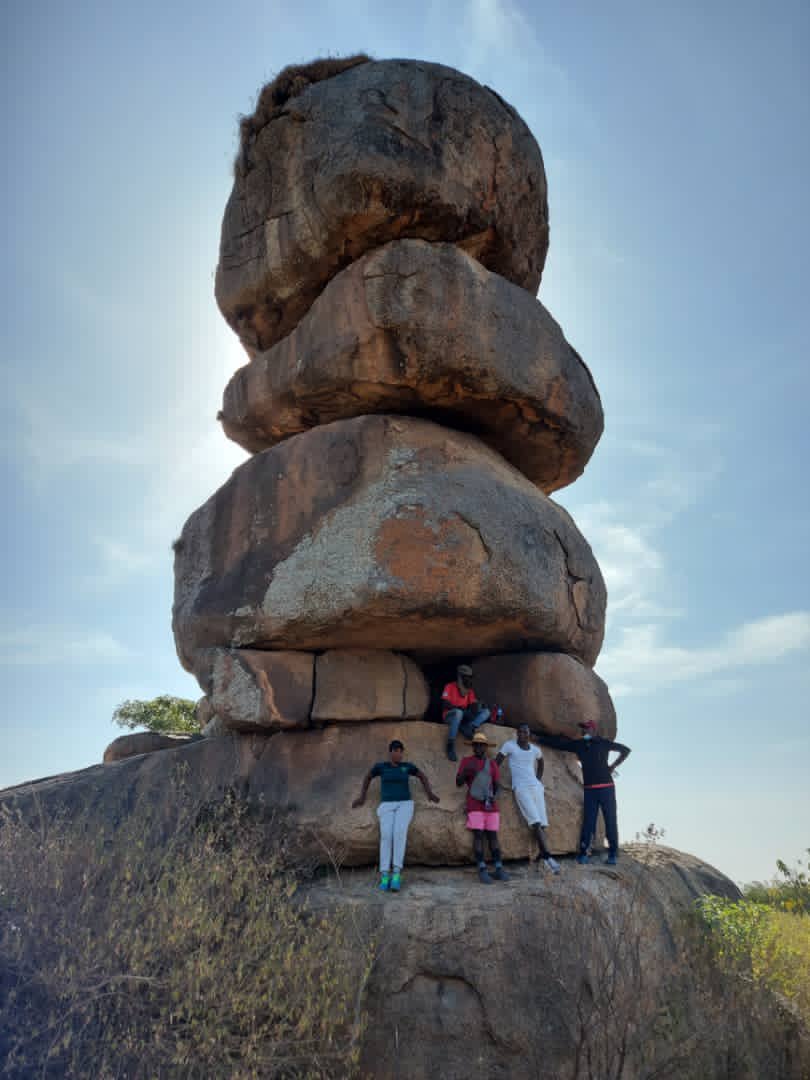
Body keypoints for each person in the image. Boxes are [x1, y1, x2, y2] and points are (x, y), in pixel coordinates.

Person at [534, 721, 631, 865]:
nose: (583, 732)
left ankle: (613, 854)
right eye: (582, 730)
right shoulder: (579, 744)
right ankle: (584, 853)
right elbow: (560, 745)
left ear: (593, 729)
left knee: (610, 820)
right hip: (590, 790)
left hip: (607, 788)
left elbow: (625, 750)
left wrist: (613, 766)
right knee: (588, 822)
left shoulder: (603, 743)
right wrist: (538, 739)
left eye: (586, 729)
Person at [352, 739, 440, 892]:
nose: (398, 754)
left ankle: (397, 874)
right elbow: (368, 777)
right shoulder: (381, 767)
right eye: (395, 751)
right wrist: (362, 797)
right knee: (386, 835)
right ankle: (385, 874)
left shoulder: (407, 767)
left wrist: (430, 793)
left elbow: (422, 776)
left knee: (399, 833)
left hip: (405, 804)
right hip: (387, 805)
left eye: (401, 751)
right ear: (390, 752)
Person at [495, 723, 560, 874]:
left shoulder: (535, 750)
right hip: (521, 787)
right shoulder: (509, 746)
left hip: (536, 788)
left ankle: (542, 858)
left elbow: (541, 761)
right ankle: (548, 857)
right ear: (517, 733)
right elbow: (496, 763)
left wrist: (538, 779)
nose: (523, 734)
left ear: (529, 734)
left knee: (543, 824)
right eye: (520, 731)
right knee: (535, 822)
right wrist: (494, 780)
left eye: (525, 732)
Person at [456, 731, 509, 884]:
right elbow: (458, 783)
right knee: (478, 835)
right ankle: (482, 868)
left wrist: (494, 796)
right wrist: (464, 773)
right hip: (474, 803)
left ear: (485, 747)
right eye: (476, 744)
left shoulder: (492, 764)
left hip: (490, 805)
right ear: (473, 746)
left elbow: (497, 786)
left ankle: (499, 868)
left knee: (493, 836)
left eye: (482, 745)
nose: (479, 747)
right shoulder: (466, 761)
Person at [441, 663, 491, 761]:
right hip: (450, 716)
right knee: (459, 713)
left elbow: (472, 707)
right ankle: (450, 745)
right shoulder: (450, 686)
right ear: (461, 677)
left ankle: (470, 728)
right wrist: (459, 709)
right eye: (468, 677)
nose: (470, 679)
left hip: (462, 716)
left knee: (486, 712)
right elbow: (444, 703)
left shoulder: (469, 691)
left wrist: (478, 705)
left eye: (470, 677)